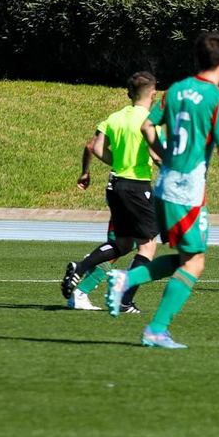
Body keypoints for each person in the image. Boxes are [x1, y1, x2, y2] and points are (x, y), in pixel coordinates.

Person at [105, 32, 219, 348]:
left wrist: (163, 156)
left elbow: (147, 126)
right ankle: (150, 319)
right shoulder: (216, 98)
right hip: (187, 191)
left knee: (188, 258)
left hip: (163, 187)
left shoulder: (175, 90)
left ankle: (135, 291)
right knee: (195, 262)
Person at [61, 71, 160, 312]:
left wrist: (113, 164)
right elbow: (158, 156)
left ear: (129, 93)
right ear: (154, 93)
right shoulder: (149, 120)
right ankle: (124, 301)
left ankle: (81, 267)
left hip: (115, 185)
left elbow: (94, 147)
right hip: (137, 186)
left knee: (123, 244)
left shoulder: (115, 117)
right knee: (147, 247)